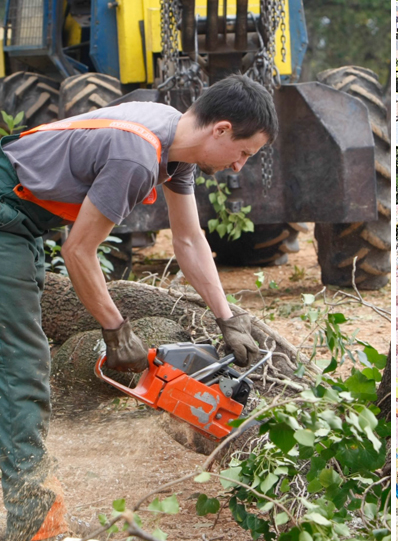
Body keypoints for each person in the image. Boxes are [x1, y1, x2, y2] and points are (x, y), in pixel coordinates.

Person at [0, 74, 278, 541]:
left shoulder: (174, 145)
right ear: (222, 130)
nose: (239, 166)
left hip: (20, 222)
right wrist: (116, 329)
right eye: (244, 153)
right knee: (22, 368)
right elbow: (78, 252)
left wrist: (229, 318)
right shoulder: (137, 154)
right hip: (6, 214)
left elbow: (188, 240)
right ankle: (36, 526)